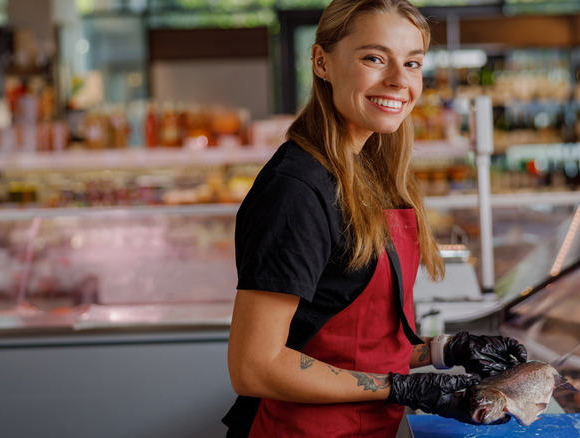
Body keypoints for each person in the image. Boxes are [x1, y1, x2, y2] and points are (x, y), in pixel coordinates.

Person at [223, 1, 527, 436]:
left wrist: (446, 349)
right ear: (321, 62)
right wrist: (401, 390)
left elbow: (352, 345)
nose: (399, 81)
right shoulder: (296, 191)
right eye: (374, 58)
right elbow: (254, 365)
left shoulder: (367, 172)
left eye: (413, 63)